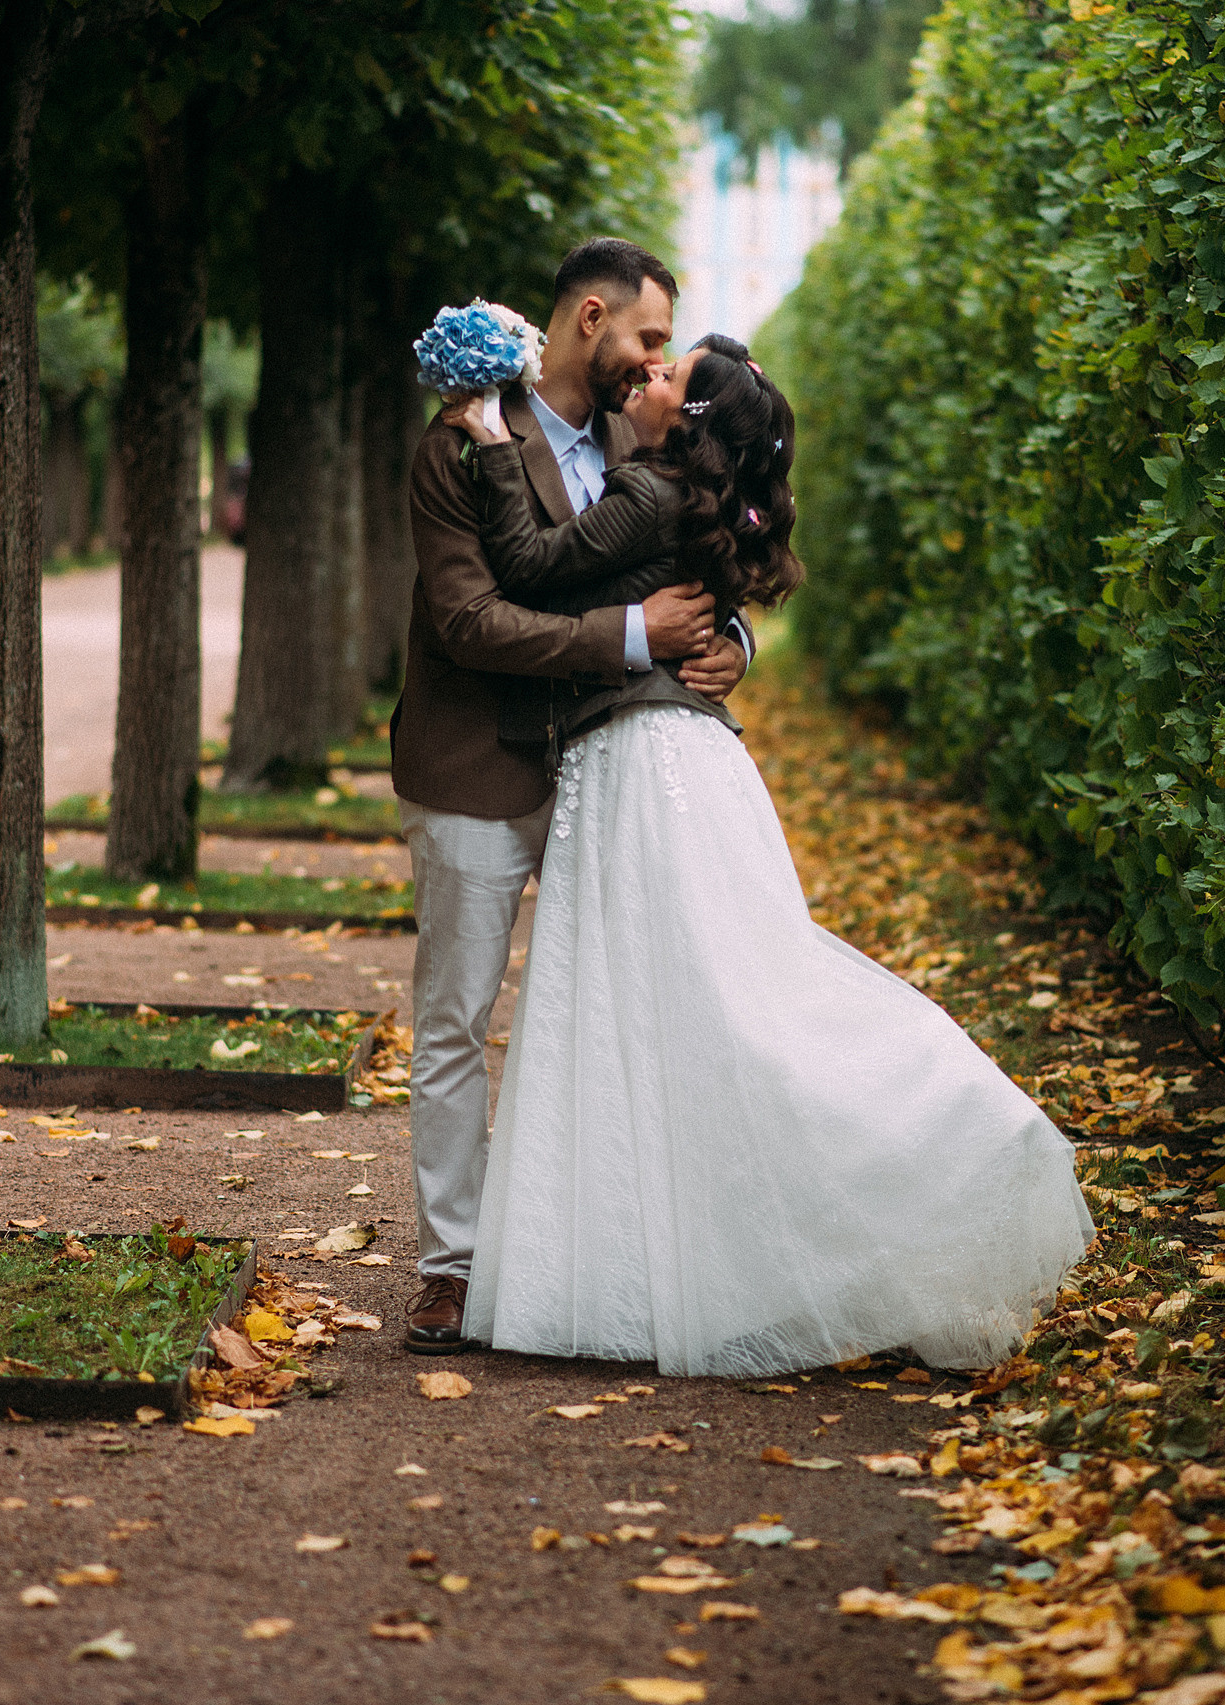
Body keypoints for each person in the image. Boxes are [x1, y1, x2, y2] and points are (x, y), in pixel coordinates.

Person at [439, 335, 1095, 1377]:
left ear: (689, 420)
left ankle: (930, 1133)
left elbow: (529, 565)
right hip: (678, 763)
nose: (646, 375)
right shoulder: (668, 488)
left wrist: (481, 441)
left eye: (666, 374)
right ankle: (661, 1262)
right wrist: (726, 639)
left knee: (697, 1009)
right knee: (688, 1007)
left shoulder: (650, 492)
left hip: (644, 766)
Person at [395, 238, 756, 1355]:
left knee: (619, 1016)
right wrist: (633, 636)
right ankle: (451, 1264)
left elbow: (696, 560)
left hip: (614, 773)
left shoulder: (648, 438)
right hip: (476, 766)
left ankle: (607, 1252)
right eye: (649, 339)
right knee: (456, 1019)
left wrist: (732, 643)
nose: (658, 363)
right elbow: (469, 622)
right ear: (589, 318)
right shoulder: (459, 443)